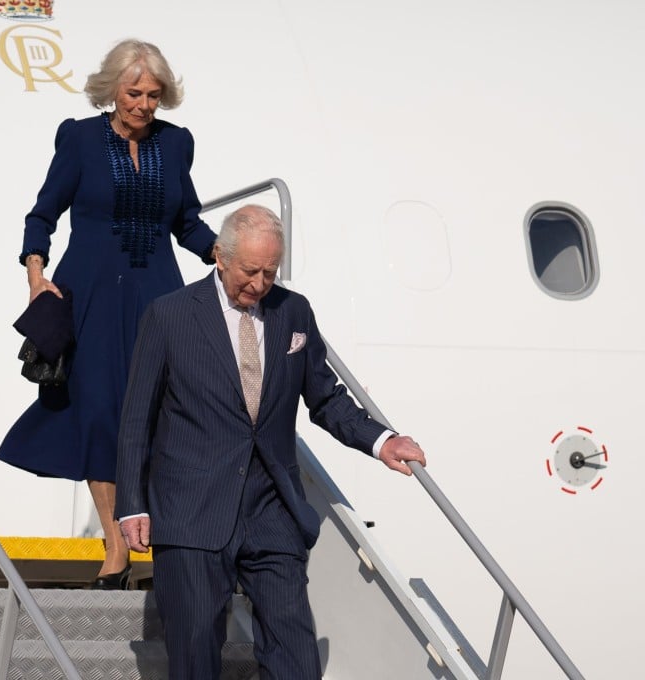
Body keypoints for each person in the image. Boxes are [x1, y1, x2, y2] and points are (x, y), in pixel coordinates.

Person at [116, 204, 428, 679]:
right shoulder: (170, 316)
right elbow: (137, 419)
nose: (260, 284)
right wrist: (132, 503)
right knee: (195, 653)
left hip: (272, 507)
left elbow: (325, 397)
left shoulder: (293, 312)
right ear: (219, 257)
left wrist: (381, 440)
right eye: (250, 271)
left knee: (295, 651)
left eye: (270, 272)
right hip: (192, 511)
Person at [0, 39, 217, 588]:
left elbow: (186, 221)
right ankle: (115, 544)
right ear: (113, 88)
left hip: (158, 293)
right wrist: (35, 275)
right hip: (90, 294)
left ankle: (157, 530)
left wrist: (226, 254)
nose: (144, 104)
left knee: (160, 410)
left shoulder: (177, 144)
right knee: (98, 412)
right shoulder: (80, 139)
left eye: (154, 95)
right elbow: (42, 213)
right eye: (134, 92)